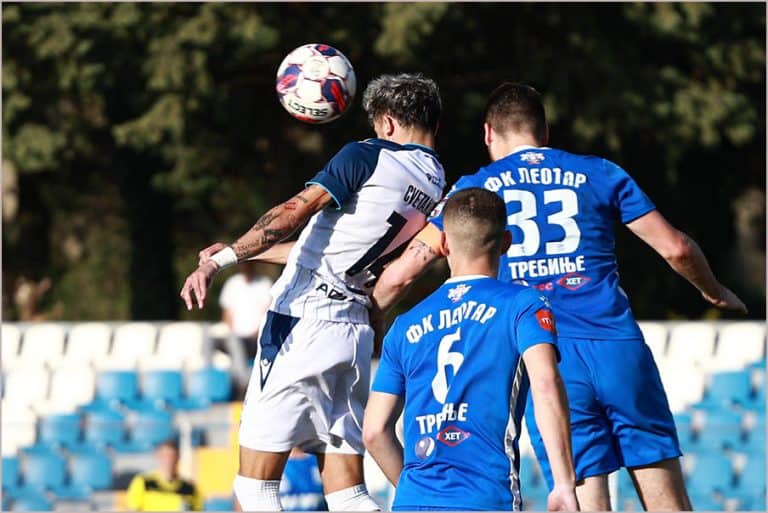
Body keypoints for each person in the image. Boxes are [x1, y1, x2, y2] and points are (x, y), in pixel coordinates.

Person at [371, 83, 747, 511]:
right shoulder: (599, 172)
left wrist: (370, 311)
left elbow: (405, 273)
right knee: (667, 499)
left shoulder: (475, 194)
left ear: (488, 134)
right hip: (618, 347)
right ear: (544, 132)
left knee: (585, 499)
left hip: (548, 354)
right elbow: (676, 248)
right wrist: (714, 292)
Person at [180, 73, 446, 511]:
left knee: (254, 489)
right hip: (354, 329)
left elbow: (293, 213)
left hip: (303, 320)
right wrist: (240, 251)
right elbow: (357, 253)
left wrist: (218, 262)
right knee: (347, 494)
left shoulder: (366, 154)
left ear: (387, 123)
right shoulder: (435, 182)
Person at [362, 188, 578, 511]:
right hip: (486, 498)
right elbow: (546, 384)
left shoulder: (404, 325)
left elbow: (375, 432)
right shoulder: (522, 305)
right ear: (506, 242)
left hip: (414, 502)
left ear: (444, 244)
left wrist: (413, 491)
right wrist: (563, 484)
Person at [218, 260, 274, 392]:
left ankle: (243, 385)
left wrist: (258, 331)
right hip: (237, 335)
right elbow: (226, 314)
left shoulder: (265, 284)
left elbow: (268, 312)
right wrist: (231, 330)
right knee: (233, 342)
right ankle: (245, 383)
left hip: (258, 335)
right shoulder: (232, 284)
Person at [126, 438, 203, 511]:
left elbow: (198, 509)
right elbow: (133, 509)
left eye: (172, 456)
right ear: (158, 457)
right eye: (164, 456)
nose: (168, 460)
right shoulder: (143, 482)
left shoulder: (190, 487)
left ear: (178, 458)